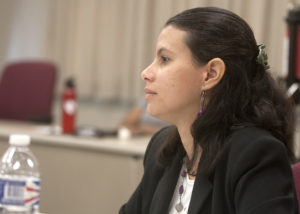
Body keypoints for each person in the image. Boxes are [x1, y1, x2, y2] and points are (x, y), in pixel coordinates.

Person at [119, 7, 298, 214]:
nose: (146, 73)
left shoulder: (254, 154)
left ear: (211, 74)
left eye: (165, 59)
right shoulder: (161, 148)